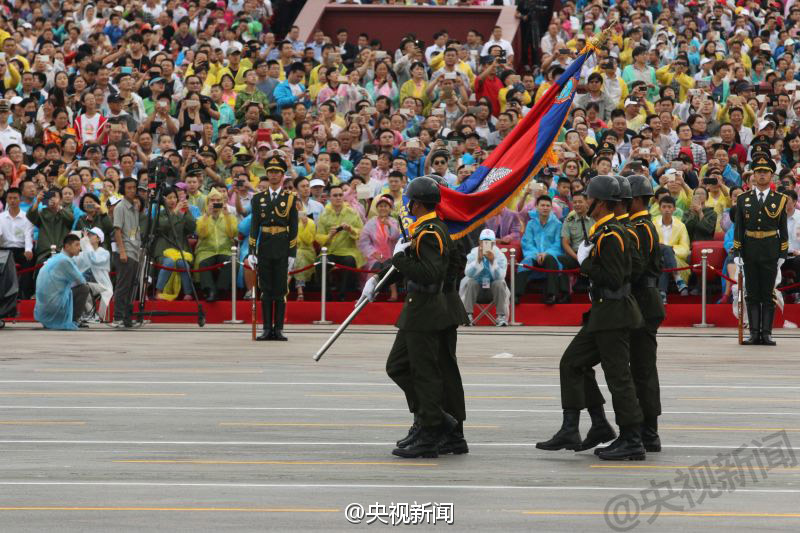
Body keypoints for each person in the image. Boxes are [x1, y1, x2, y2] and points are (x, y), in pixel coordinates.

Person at [536, 175, 646, 461]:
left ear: (601, 202)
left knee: (618, 377)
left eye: (590, 198)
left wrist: (585, 263)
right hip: (604, 313)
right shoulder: (608, 232)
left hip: (613, 313)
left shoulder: (611, 235)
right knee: (572, 363)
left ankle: (632, 438)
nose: (586, 202)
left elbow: (615, 277)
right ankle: (584, 426)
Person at [361, 176, 458, 459]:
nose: (407, 205)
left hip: (426, 311)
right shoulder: (423, 229)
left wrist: (400, 258)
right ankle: (436, 418)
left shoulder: (430, 232)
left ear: (416, 203)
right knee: (397, 366)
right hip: (416, 311)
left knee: (424, 373)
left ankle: (430, 430)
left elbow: (431, 274)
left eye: (409, 201)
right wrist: (380, 277)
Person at [733, 154, 789, 346]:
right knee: (752, 293)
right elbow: (739, 228)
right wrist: (737, 252)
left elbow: (783, 229)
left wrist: (782, 254)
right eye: (758, 172)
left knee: (768, 293)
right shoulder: (743, 198)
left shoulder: (779, 199)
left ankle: (766, 333)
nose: (762, 175)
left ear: (771, 175)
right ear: (753, 175)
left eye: (765, 172)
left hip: (770, 249)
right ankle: (754, 333)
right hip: (749, 249)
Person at [248, 156, 298, 341]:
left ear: (283, 175)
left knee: (280, 289)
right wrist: (251, 251)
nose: (274, 175)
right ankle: (267, 328)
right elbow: (254, 226)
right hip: (265, 245)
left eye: (277, 172)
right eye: (271, 172)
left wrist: (292, 253)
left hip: (282, 245)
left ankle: (279, 329)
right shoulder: (258, 198)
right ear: (267, 174)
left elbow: (294, 228)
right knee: (266, 289)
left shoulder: (290, 198)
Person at [315, 183, 364, 301]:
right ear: (329, 198)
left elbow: (361, 233)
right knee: (319, 264)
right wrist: (329, 236)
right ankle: (326, 296)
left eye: (340, 195)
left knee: (349, 261)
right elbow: (318, 237)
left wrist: (351, 230)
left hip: (348, 251)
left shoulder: (352, 213)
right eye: (335, 195)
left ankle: (343, 295)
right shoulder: (324, 215)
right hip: (329, 251)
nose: (338, 198)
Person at [515, 195, 568, 305]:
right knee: (525, 262)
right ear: (537, 207)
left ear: (551, 208)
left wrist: (546, 253)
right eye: (542, 205)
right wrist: (536, 254)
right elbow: (527, 242)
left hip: (551, 255)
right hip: (534, 255)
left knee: (550, 259)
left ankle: (551, 295)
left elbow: (558, 244)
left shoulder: (557, 224)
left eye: (548, 205)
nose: (545, 208)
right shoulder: (531, 223)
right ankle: (516, 295)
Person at [33, 233, 89, 330]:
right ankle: (74, 321)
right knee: (84, 288)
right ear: (67, 246)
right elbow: (81, 281)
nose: (79, 248)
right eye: (76, 245)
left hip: (43, 309)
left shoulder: (55, 258)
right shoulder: (65, 261)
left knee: (71, 287)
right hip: (54, 306)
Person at [194, 189, 238, 302]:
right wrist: (207, 216)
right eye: (212, 200)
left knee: (232, 262)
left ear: (222, 202)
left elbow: (232, 234)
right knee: (203, 263)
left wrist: (227, 216)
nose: (215, 203)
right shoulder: (201, 218)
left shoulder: (230, 217)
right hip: (206, 250)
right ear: (207, 202)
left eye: (218, 200)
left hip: (225, 250)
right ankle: (210, 291)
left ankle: (219, 290)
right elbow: (201, 234)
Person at [459, 228, 510, 326]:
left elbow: (501, 276)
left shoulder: (500, 255)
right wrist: (478, 261)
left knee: (499, 283)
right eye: (484, 241)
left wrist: (493, 262)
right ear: (479, 241)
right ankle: (467, 316)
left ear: (493, 243)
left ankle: (501, 316)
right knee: (471, 282)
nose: (486, 244)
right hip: (477, 291)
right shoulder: (473, 253)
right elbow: (468, 273)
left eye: (489, 242)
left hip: (493, 292)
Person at [357, 195, 401, 301]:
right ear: (377, 208)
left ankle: (394, 293)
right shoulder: (371, 222)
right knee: (375, 266)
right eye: (381, 206)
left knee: (390, 266)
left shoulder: (394, 222)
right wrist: (373, 253)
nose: (383, 208)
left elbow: (396, 237)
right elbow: (363, 241)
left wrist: (389, 226)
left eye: (385, 206)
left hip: (391, 253)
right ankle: (370, 294)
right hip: (374, 255)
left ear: (390, 208)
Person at [112, 177, 141, 328]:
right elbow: (117, 230)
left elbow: (133, 230)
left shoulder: (135, 206)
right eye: (129, 188)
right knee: (123, 286)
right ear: (123, 189)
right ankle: (118, 317)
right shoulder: (120, 207)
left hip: (134, 249)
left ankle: (127, 318)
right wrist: (122, 251)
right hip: (125, 251)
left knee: (130, 287)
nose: (132, 190)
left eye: (134, 187)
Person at [653, 196, 690, 303]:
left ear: (674, 209)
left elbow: (685, 248)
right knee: (664, 253)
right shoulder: (653, 224)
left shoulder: (681, 226)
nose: (667, 210)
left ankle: (662, 292)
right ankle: (677, 277)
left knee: (665, 257)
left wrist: (670, 250)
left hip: (676, 258)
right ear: (659, 208)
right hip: (656, 257)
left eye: (669, 207)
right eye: (664, 207)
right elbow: (651, 244)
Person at [0, 187, 35, 298]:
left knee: (29, 261)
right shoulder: (1, 217)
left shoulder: (27, 217)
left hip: (21, 249)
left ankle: (24, 294)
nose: (12, 201)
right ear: (6, 200)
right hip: (4, 250)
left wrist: (28, 250)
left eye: (15, 198)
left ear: (20, 199)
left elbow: (28, 235)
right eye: (10, 198)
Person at [74, 227, 113, 321]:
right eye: (88, 235)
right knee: (78, 287)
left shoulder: (105, 253)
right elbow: (74, 262)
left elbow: (94, 259)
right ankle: (87, 314)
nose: (88, 236)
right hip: (88, 284)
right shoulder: (85, 252)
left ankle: (91, 315)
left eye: (91, 235)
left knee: (84, 287)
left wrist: (85, 243)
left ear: (99, 239)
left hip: (101, 285)